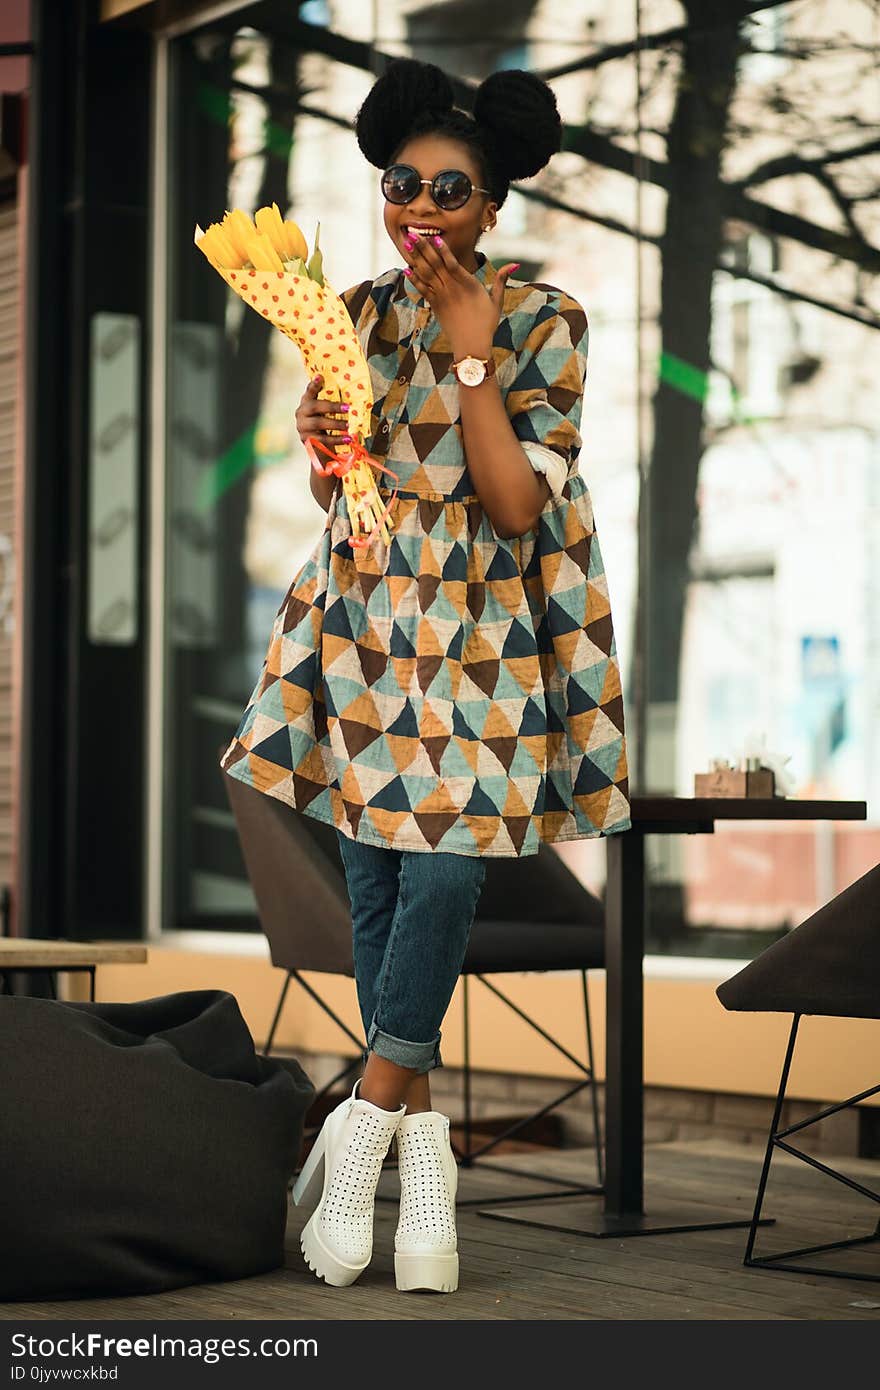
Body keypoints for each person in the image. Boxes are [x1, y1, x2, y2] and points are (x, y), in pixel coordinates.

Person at [220, 57, 631, 1295]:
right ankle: (428, 1174)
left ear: (492, 205)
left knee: (445, 871)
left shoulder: (543, 318)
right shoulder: (350, 312)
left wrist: (467, 359)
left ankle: (359, 1128)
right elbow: (340, 496)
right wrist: (321, 444)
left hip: (484, 642)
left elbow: (511, 507)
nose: (424, 207)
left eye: (452, 190)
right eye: (405, 183)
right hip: (365, 632)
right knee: (386, 899)